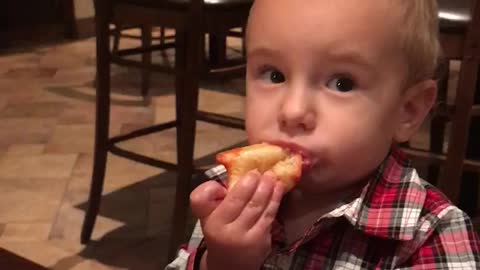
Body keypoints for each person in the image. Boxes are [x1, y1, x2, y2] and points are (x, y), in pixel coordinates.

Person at [167, 0, 480, 269]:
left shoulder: (428, 236)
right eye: (273, 75)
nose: (292, 112)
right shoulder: (229, 195)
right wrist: (222, 262)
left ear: (407, 110)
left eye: (341, 83)